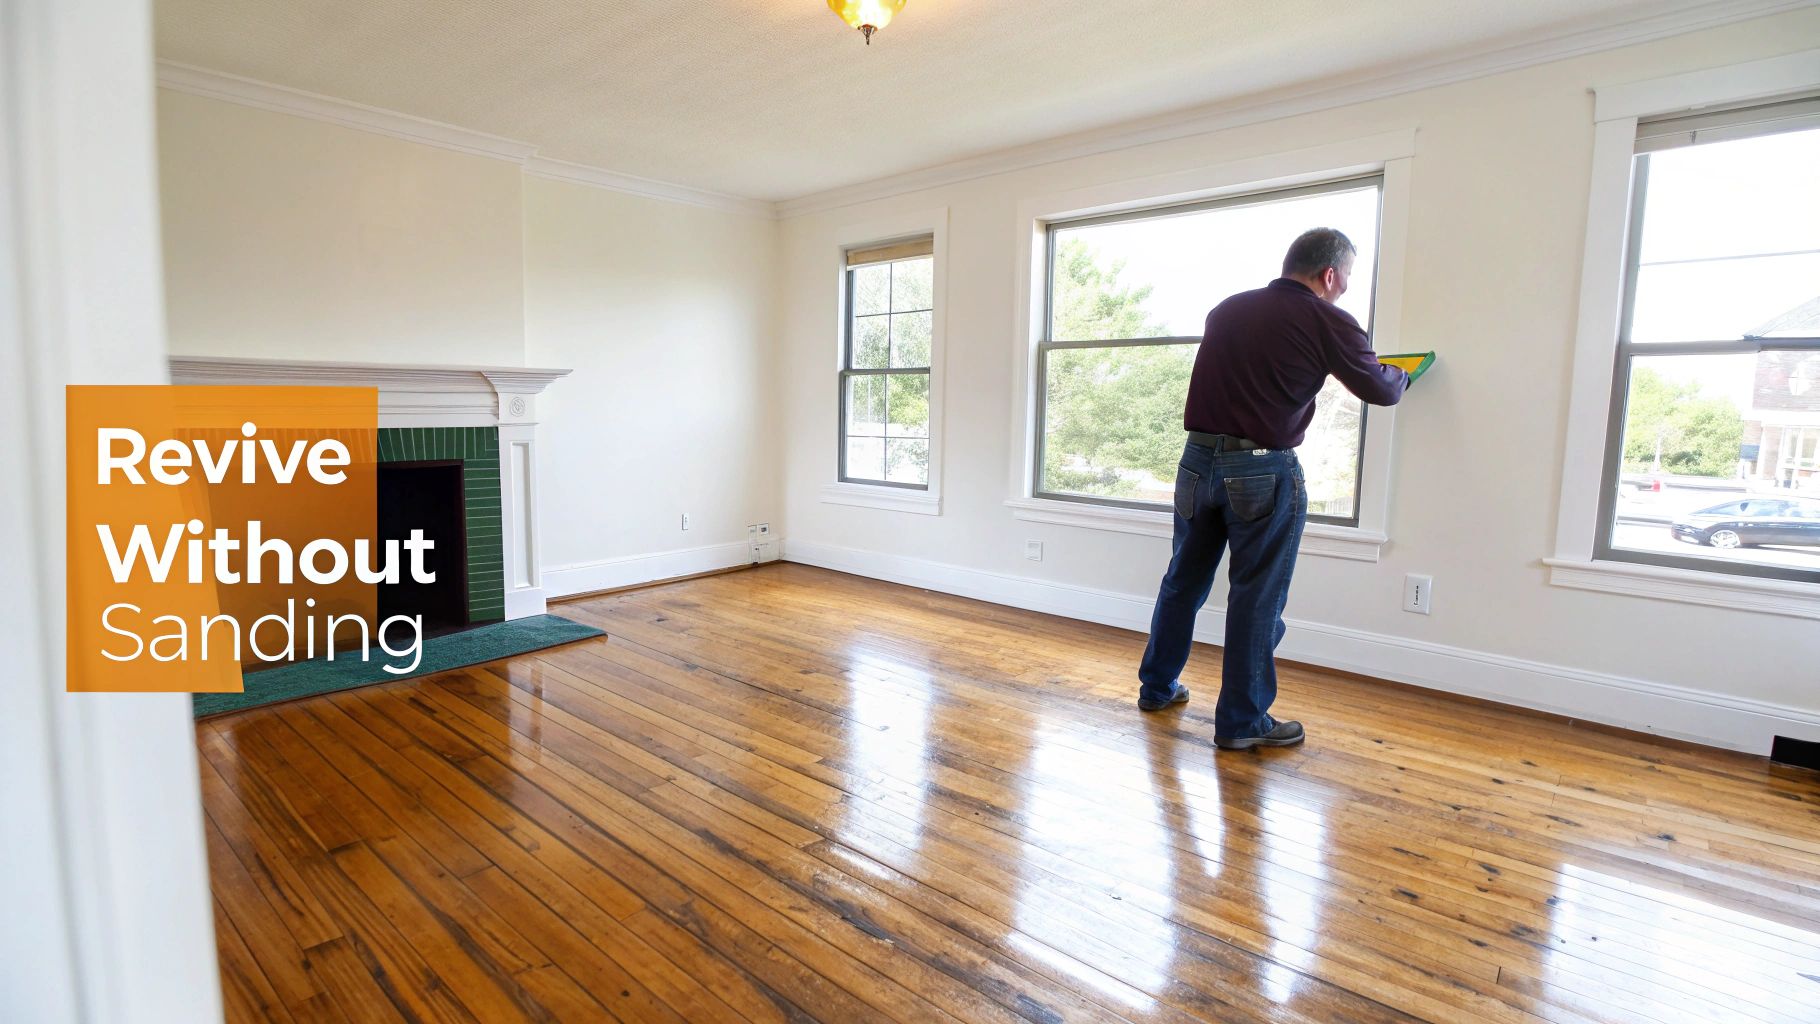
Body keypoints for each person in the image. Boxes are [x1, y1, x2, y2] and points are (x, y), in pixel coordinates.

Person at [1135, 227, 1408, 750]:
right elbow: (1378, 387)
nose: (1346, 286)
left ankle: (1157, 687)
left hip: (1196, 461)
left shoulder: (1227, 309)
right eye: (1346, 276)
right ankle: (1242, 722)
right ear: (1330, 274)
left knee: (1182, 582)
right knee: (1256, 597)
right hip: (1261, 471)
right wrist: (1402, 374)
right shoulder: (1328, 318)